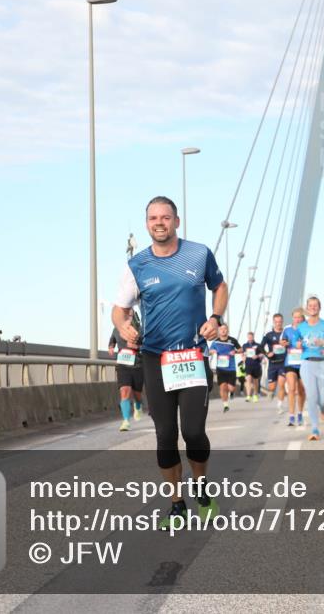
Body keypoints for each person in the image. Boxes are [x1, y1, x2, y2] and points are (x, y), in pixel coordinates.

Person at [113, 196, 228, 530]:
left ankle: (202, 490)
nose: (159, 223)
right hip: (155, 357)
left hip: (192, 355)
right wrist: (123, 325)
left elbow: (220, 286)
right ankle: (177, 505)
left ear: (176, 221)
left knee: (193, 432)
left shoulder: (199, 254)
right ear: (147, 224)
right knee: (165, 435)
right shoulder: (137, 265)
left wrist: (215, 317)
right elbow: (120, 309)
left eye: (165, 217)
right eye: (153, 218)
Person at [296, 296, 324, 441]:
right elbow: (294, 340)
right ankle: (315, 429)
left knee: (321, 398)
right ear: (307, 308)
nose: (313, 307)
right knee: (311, 396)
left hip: (322, 363)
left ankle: (323, 406)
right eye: (310, 305)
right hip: (307, 363)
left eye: (315, 305)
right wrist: (297, 343)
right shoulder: (301, 327)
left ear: (319, 308)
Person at [108, 307, 145, 431]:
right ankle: (126, 421)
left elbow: (146, 344)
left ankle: (138, 405)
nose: (128, 317)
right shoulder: (116, 329)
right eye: (126, 314)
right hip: (122, 365)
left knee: (137, 393)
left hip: (137, 364)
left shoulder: (140, 329)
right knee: (124, 390)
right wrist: (111, 347)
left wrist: (137, 346)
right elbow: (112, 340)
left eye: (130, 315)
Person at [281, 308, 307, 427]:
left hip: (304, 363)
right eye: (295, 317)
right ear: (292, 318)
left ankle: (300, 413)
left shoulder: (307, 329)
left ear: (303, 318)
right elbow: (283, 341)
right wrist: (284, 343)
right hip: (290, 363)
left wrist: (303, 345)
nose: (297, 319)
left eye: (299, 317)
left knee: (301, 390)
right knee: (291, 388)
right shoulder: (287, 329)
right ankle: (291, 416)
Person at [208, 324, 240, 412]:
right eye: (221, 329)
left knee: (231, 388)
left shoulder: (232, 340)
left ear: (227, 330)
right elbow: (209, 351)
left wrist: (235, 351)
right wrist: (212, 351)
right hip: (220, 368)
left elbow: (241, 350)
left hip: (231, 368)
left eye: (225, 329)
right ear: (219, 331)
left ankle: (232, 392)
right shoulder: (215, 342)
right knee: (222, 387)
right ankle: (225, 405)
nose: (223, 330)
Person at [261, 313, 288, 412]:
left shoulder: (286, 334)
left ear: (282, 322)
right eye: (276, 322)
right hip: (272, 364)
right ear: (273, 322)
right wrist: (267, 353)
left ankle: (279, 405)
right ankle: (271, 392)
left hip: (283, 363)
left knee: (281, 384)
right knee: (272, 387)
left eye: (280, 322)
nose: (278, 323)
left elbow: (292, 344)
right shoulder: (268, 335)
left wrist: (288, 344)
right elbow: (260, 347)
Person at [241, 331, 263, 402]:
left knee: (255, 381)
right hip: (248, 365)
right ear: (247, 337)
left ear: (253, 337)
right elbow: (242, 353)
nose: (250, 338)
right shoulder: (244, 345)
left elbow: (262, 354)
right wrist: (243, 357)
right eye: (249, 337)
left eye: (251, 337)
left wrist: (257, 356)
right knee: (248, 379)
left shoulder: (258, 345)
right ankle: (248, 396)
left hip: (256, 365)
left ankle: (255, 395)